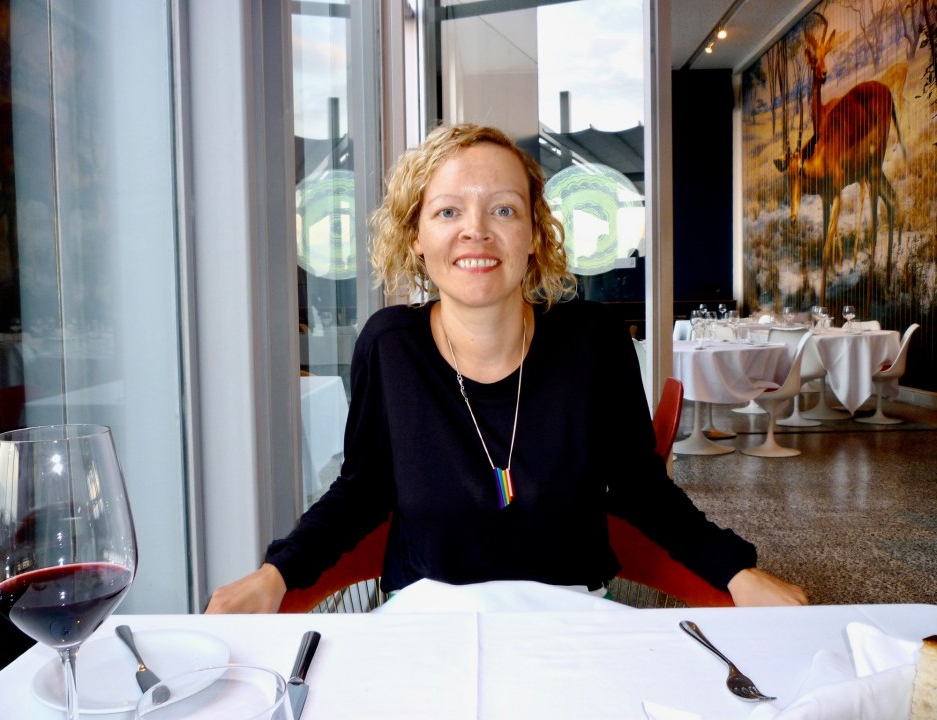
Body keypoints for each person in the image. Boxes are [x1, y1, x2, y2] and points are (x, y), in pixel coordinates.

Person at [206, 123, 807, 613]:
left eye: (503, 210)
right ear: (415, 235)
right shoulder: (391, 346)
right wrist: (277, 572)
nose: (476, 231)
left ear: (533, 235)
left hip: (574, 615)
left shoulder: (594, 342)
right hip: (424, 615)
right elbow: (361, 491)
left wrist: (738, 572)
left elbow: (640, 489)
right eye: (446, 212)